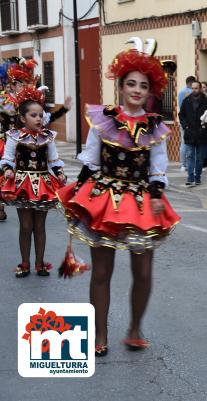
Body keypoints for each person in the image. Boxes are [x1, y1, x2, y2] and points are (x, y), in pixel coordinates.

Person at [56, 38, 181, 357]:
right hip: (104, 199)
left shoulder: (156, 126)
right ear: (121, 87)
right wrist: (76, 199)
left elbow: (158, 167)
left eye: (142, 85)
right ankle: (100, 333)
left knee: (143, 272)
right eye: (131, 84)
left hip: (141, 203)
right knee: (101, 271)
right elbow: (91, 161)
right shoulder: (103, 119)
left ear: (150, 90)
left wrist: (156, 194)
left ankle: (135, 327)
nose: (137, 90)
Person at [0, 86, 66, 277]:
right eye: (33, 115)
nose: (38, 118)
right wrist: (8, 170)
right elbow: (7, 158)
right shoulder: (15, 136)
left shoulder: (48, 137)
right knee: (26, 226)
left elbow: (53, 160)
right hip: (22, 184)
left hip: (44, 183)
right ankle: (25, 263)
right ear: (23, 118)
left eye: (40, 115)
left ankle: (40, 263)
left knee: (39, 226)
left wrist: (60, 173)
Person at [179, 81, 207, 186]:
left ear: (200, 89)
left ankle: (197, 177)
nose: (194, 90)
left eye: (196, 88)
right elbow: (181, 115)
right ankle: (190, 177)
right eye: (193, 88)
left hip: (202, 133)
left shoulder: (206, 101)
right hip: (190, 132)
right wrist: (185, 126)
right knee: (190, 156)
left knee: (200, 158)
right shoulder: (187, 100)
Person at [177, 75, 196, 171]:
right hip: (191, 121)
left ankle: (183, 164)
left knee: (183, 142)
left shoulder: (181, 92)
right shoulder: (191, 92)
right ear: (191, 83)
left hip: (183, 120)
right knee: (191, 143)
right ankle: (189, 164)